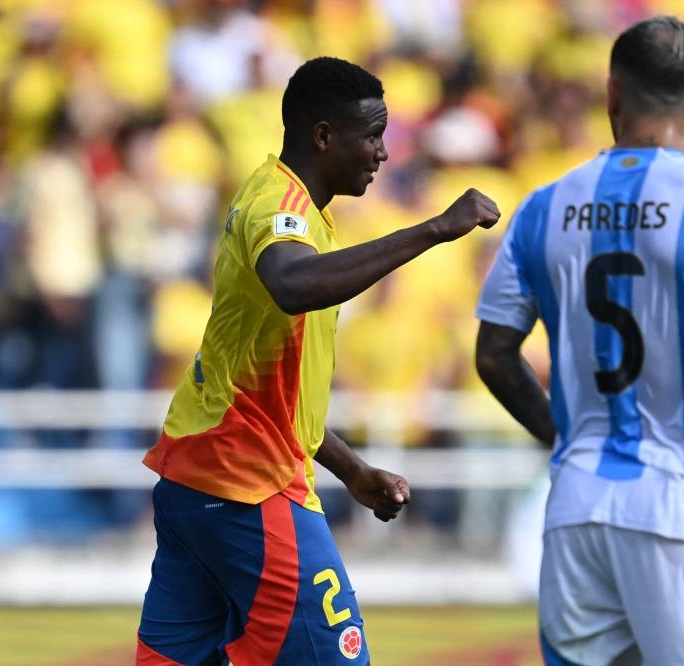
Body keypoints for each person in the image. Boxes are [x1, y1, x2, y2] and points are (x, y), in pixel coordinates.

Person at [137, 56, 500, 665]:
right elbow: (293, 283)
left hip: (199, 479)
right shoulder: (277, 207)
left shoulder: (300, 213)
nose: (384, 152)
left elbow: (274, 391)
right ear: (324, 136)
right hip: (247, 486)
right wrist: (434, 229)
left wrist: (351, 469)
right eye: (373, 135)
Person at [475, 16, 684, 665]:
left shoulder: (542, 206)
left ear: (612, 95)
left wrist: (564, 437)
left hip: (577, 514)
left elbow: (493, 354)